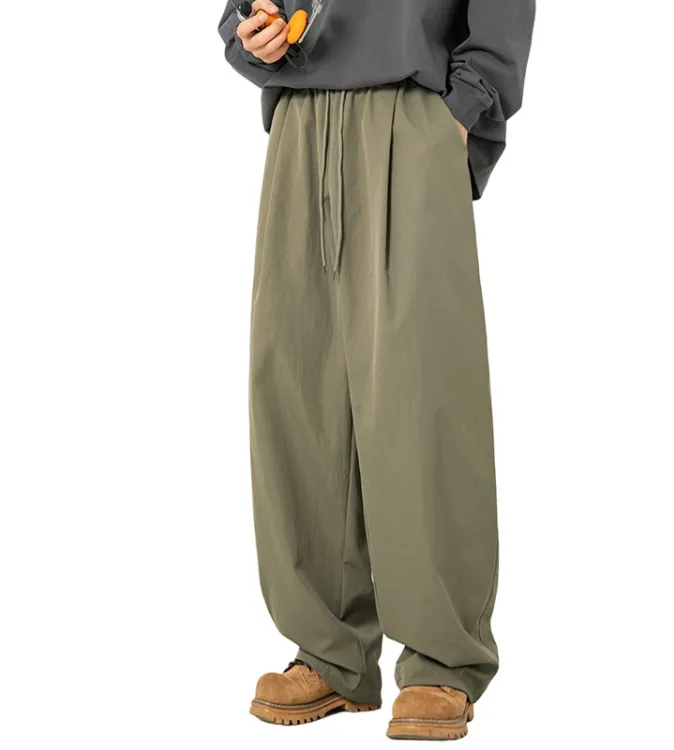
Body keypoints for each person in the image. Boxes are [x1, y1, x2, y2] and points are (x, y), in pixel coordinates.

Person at [218, 0, 534, 740]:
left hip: (412, 109)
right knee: (296, 386)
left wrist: (466, 107)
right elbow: (243, 12)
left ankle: (442, 661)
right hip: (300, 119)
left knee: (419, 391)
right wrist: (250, 35)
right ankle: (329, 654)